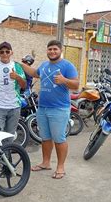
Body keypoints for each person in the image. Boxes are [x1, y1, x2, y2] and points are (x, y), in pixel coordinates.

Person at [20, 40, 79, 179]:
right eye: (50, 49)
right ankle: (45, 163)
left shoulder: (67, 66)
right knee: (45, 138)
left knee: (59, 139)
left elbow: (76, 84)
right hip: (42, 108)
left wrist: (64, 80)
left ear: (60, 51)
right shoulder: (45, 65)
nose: (52, 52)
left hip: (59, 109)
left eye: (55, 49)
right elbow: (35, 73)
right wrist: (20, 65)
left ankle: (60, 167)